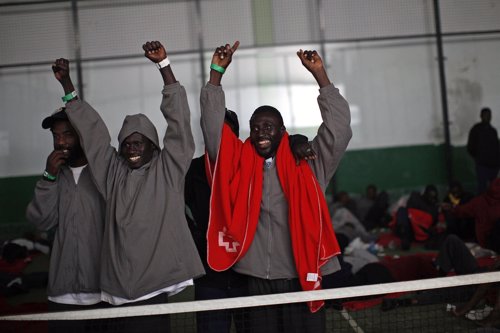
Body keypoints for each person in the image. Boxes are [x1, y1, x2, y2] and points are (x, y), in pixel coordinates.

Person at [52, 41, 204, 333]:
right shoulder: (112, 173)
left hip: (153, 285)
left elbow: (179, 125)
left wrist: (164, 67)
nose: (131, 148)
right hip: (116, 287)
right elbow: (93, 133)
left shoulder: (168, 170)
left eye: (138, 142)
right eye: (126, 143)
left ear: (152, 147)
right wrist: (68, 85)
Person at [201, 41, 352, 333]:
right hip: (257, 278)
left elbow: (340, 130)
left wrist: (321, 76)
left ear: (283, 132)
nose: (261, 133)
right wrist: (216, 75)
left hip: (300, 275)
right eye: (255, 127)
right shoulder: (239, 165)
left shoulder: (308, 163)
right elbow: (212, 130)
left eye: (269, 127)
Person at [185, 109, 313, 333]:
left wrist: (295, 139)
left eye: (226, 132)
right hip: (209, 275)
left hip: (246, 277)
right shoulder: (194, 169)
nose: (220, 137)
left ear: (235, 136)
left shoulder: (248, 164)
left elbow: (276, 145)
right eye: (215, 132)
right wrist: (197, 236)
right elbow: (175, 207)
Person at [25, 107, 106, 332]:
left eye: (68, 134)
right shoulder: (54, 177)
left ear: (82, 135)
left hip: (105, 292)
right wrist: (48, 177)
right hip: (63, 295)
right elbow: (41, 221)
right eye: (55, 135)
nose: (60, 142)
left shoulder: (104, 173)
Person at [441, 178, 500, 250]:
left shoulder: (479, 201)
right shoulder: (478, 201)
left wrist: (451, 208)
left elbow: (461, 210)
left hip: (483, 241)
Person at [467, 107, 500, 194]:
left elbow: (496, 147)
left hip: (494, 165)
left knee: (494, 189)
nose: (488, 117)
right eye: (485, 115)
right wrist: (479, 158)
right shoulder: (476, 130)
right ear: (481, 116)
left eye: (489, 115)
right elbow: (470, 147)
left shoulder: (493, 131)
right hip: (482, 165)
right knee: (482, 189)